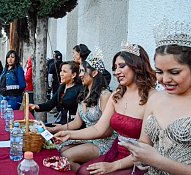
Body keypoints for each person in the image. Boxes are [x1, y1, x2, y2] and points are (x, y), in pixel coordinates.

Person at [55, 42, 156, 174]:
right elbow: (98, 128)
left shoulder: (152, 97)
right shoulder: (117, 94)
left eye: (122, 66)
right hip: (116, 151)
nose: (116, 72)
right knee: (82, 170)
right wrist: (69, 134)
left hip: (137, 159)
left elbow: (144, 146)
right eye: (115, 67)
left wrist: (113, 166)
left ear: (137, 66)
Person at [120, 18, 191, 175]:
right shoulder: (155, 99)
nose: (164, 80)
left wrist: (157, 161)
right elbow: (145, 142)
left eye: (174, 72)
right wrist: (139, 155)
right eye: (159, 71)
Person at [48, 48, 116, 171]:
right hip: (90, 137)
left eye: (83, 71)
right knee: (60, 148)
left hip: (104, 141)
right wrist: (55, 129)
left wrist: (71, 135)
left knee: (65, 156)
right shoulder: (83, 93)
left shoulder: (105, 96)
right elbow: (77, 123)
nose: (80, 75)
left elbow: (107, 131)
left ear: (94, 73)